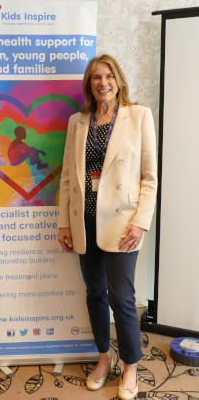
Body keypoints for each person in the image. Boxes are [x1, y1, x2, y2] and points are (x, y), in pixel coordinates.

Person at [58, 54, 157, 400]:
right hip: (84, 220)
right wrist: (64, 223)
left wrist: (141, 223)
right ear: (90, 84)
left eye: (109, 76)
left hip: (122, 222)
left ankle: (130, 366)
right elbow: (69, 176)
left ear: (118, 80)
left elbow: (149, 178)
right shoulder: (78, 121)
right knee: (95, 293)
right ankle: (104, 358)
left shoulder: (139, 116)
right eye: (96, 77)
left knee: (122, 297)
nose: (103, 82)